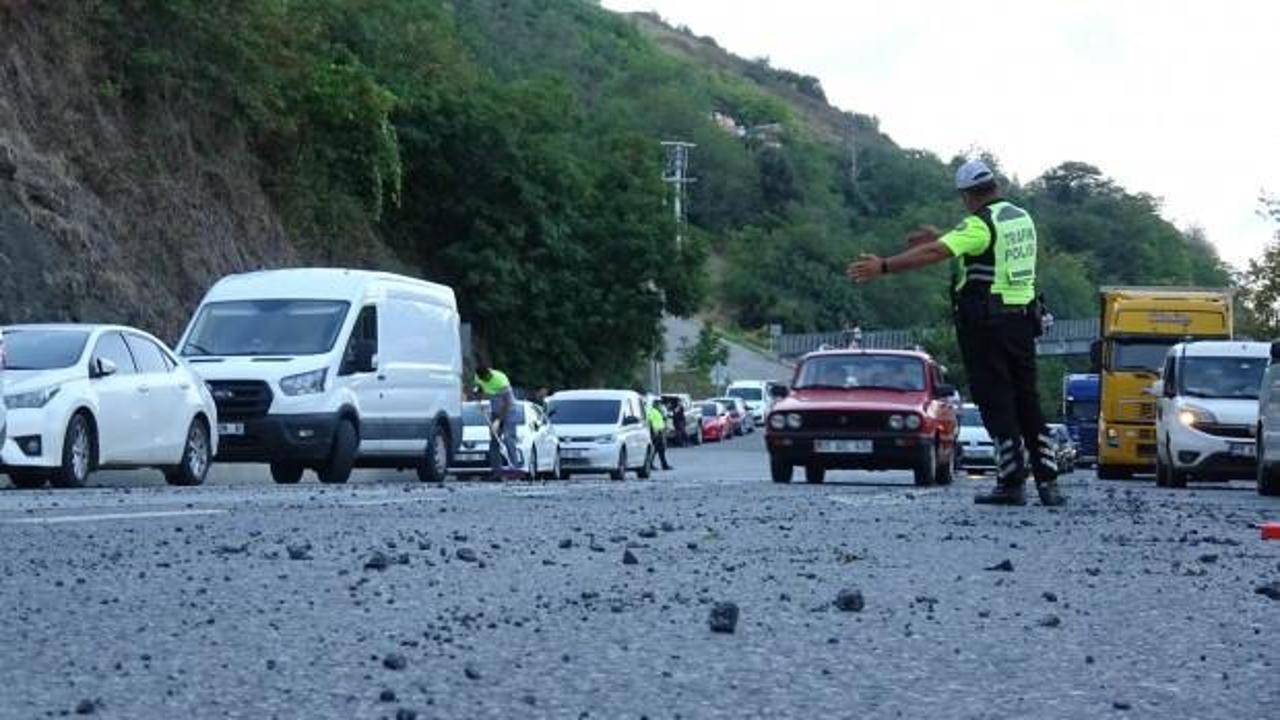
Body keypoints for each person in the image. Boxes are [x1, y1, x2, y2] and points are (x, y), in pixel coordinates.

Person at [848, 159, 1065, 507]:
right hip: (1022, 321)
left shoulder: (980, 224)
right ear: (995, 186)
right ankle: (1048, 482)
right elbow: (986, 251)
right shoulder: (1020, 218)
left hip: (987, 325)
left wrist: (884, 266)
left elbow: (940, 251)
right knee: (1028, 400)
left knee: (997, 401)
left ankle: (1010, 482)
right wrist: (944, 237)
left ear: (967, 195)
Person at [474, 364, 520, 480]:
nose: (486, 380)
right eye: (483, 379)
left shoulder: (500, 379)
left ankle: (514, 469)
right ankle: (497, 472)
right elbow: (478, 389)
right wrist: (479, 399)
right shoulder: (479, 377)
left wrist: (498, 421)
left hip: (509, 411)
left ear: (489, 373)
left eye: (487, 378)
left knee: (508, 438)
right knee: (494, 441)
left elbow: (508, 403)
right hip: (495, 410)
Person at [647, 399, 673, 471]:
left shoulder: (658, 412)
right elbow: (650, 421)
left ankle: (664, 465)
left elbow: (661, 421)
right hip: (655, 433)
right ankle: (651, 464)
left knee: (660, 450)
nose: (660, 405)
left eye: (660, 404)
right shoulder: (652, 411)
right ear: (655, 404)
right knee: (655, 450)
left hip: (660, 432)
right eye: (658, 404)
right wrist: (654, 431)